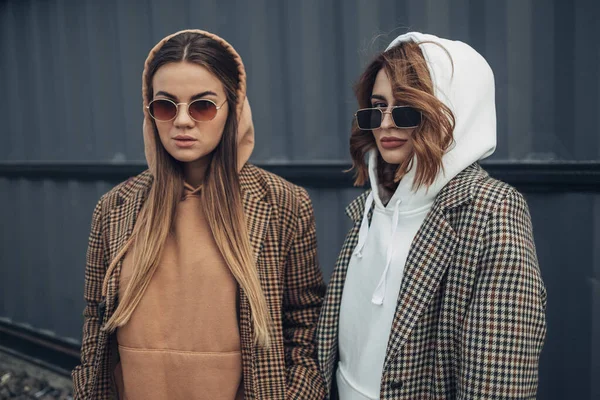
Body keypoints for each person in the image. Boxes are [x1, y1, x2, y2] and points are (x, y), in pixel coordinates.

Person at [72, 29, 326, 400]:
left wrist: (298, 393)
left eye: (203, 105)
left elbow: (305, 322)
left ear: (234, 108)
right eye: (165, 106)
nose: (183, 121)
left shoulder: (283, 204)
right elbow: (95, 323)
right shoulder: (115, 208)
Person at [317, 32, 547, 399]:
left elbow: (496, 384)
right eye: (377, 107)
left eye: (407, 108)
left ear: (453, 111)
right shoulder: (374, 204)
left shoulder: (491, 211)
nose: (386, 123)